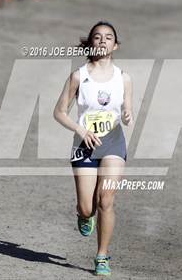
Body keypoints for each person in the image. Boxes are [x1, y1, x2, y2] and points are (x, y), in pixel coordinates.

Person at [53, 21, 133, 276]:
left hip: (113, 143)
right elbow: (59, 112)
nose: (102, 40)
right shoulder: (79, 76)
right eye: (97, 37)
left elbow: (126, 108)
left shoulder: (124, 78)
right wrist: (81, 130)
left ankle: (102, 256)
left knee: (106, 200)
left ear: (115, 45)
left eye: (108, 37)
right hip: (84, 145)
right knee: (88, 207)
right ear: (90, 43)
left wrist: (128, 113)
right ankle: (84, 215)